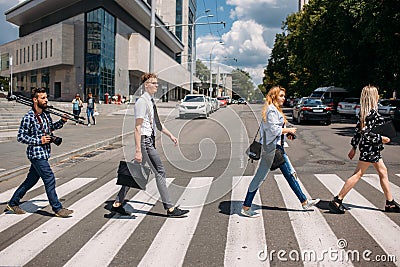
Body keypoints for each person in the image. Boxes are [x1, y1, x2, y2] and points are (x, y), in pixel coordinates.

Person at [111, 73, 189, 217]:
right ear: (145, 85)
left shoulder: (151, 101)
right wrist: (138, 151)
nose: (156, 85)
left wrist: (171, 135)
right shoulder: (141, 102)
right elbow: (137, 128)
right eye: (153, 83)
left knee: (134, 173)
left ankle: (117, 203)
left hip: (149, 140)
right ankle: (170, 208)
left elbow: (158, 124)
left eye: (156, 83)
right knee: (160, 172)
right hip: (145, 142)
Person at [241, 86, 320, 217]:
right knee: (264, 177)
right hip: (271, 149)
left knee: (289, 174)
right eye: (281, 96)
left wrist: (285, 134)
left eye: (284, 95)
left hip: (275, 148)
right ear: (274, 96)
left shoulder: (274, 109)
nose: (284, 98)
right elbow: (273, 130)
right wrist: (288, 130)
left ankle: (304, 201)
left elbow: (274, 130)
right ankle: (246, 206)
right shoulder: (271, 110)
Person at [329, 85, 400, 214]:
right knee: (358, 174)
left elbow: (358, 131)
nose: (378, 96)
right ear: (373, 97)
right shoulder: (371, 114)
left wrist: (354, 147)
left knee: (383, 172)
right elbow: (366, 134)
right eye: (377, 94)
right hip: (370, 149)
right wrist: (381, 138)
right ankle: (337, 200)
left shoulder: (364, 113)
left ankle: (390, 203)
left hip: (370, 149)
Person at [5, 87, 73, 218]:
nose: (46, 100)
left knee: (31, 181)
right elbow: (21, 136)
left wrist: (62, 121)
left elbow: (50, 128)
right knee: (50, 179)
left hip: (44, 153)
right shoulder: (28, 117)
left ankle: (13, 203)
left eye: (46, 97)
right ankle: (57, 208)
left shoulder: (46, 115)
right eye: (43, 98)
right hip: (36, 154)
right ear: (35, 100)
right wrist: (39, 140)